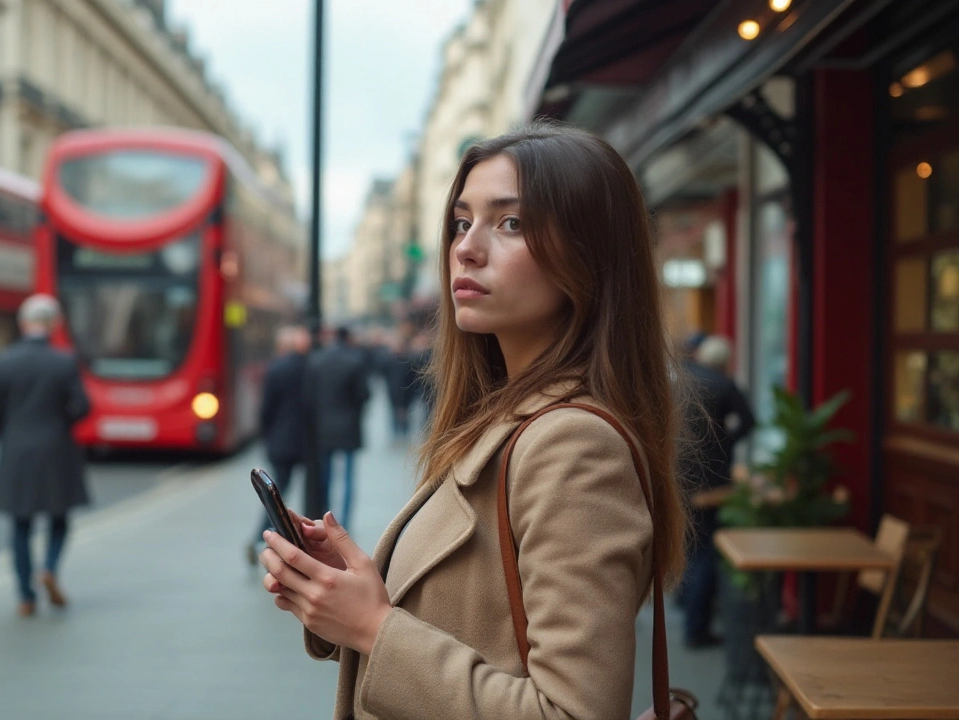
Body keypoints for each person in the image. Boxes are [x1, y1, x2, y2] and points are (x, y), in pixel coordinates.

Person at [258, 123, 687, 719]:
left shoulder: (573, 444)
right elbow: (477, 628)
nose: (466, 246)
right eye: (463, 221)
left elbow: (572, 712)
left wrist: (374, 627)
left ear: (590, 254)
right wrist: (348, 594)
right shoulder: (501, 419)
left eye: (510, 223)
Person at [0, 294, 91, 617]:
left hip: (16, 449)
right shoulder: (65, 361)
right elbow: (82, 406)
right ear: (54, 324)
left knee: (20, 524)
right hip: (56, 447)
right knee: (59, 518)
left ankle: (25, 596)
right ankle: (50, 568)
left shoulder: (4, 361)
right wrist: (60, 422)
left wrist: (10, 431)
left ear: (22, 323)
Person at [681, 334, 756, 648]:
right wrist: (726, 442)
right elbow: (749, 423)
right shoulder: (726, 385)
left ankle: (686, 605)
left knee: (690, 544)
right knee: (708, 553)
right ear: (725, 361)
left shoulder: (684, 382)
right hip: (713, 478)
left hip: (682, 476)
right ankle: (696, 627)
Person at [247, 325, 312, 565]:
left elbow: (266, 409)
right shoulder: (308, 366)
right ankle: (308, 537)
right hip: (307, 440)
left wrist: (266, 435)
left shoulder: (275, 369)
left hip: (281, 440)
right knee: (313, 488)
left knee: (276, 493)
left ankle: (260, 537)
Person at [304, 326, 370, 527]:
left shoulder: (317, 361)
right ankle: (345, 522)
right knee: (349, 478)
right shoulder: (355, 361)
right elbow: (364, 395)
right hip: (349, 426)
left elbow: (308, 397)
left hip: (324, 427)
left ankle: (327, 518)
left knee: (326, 476)